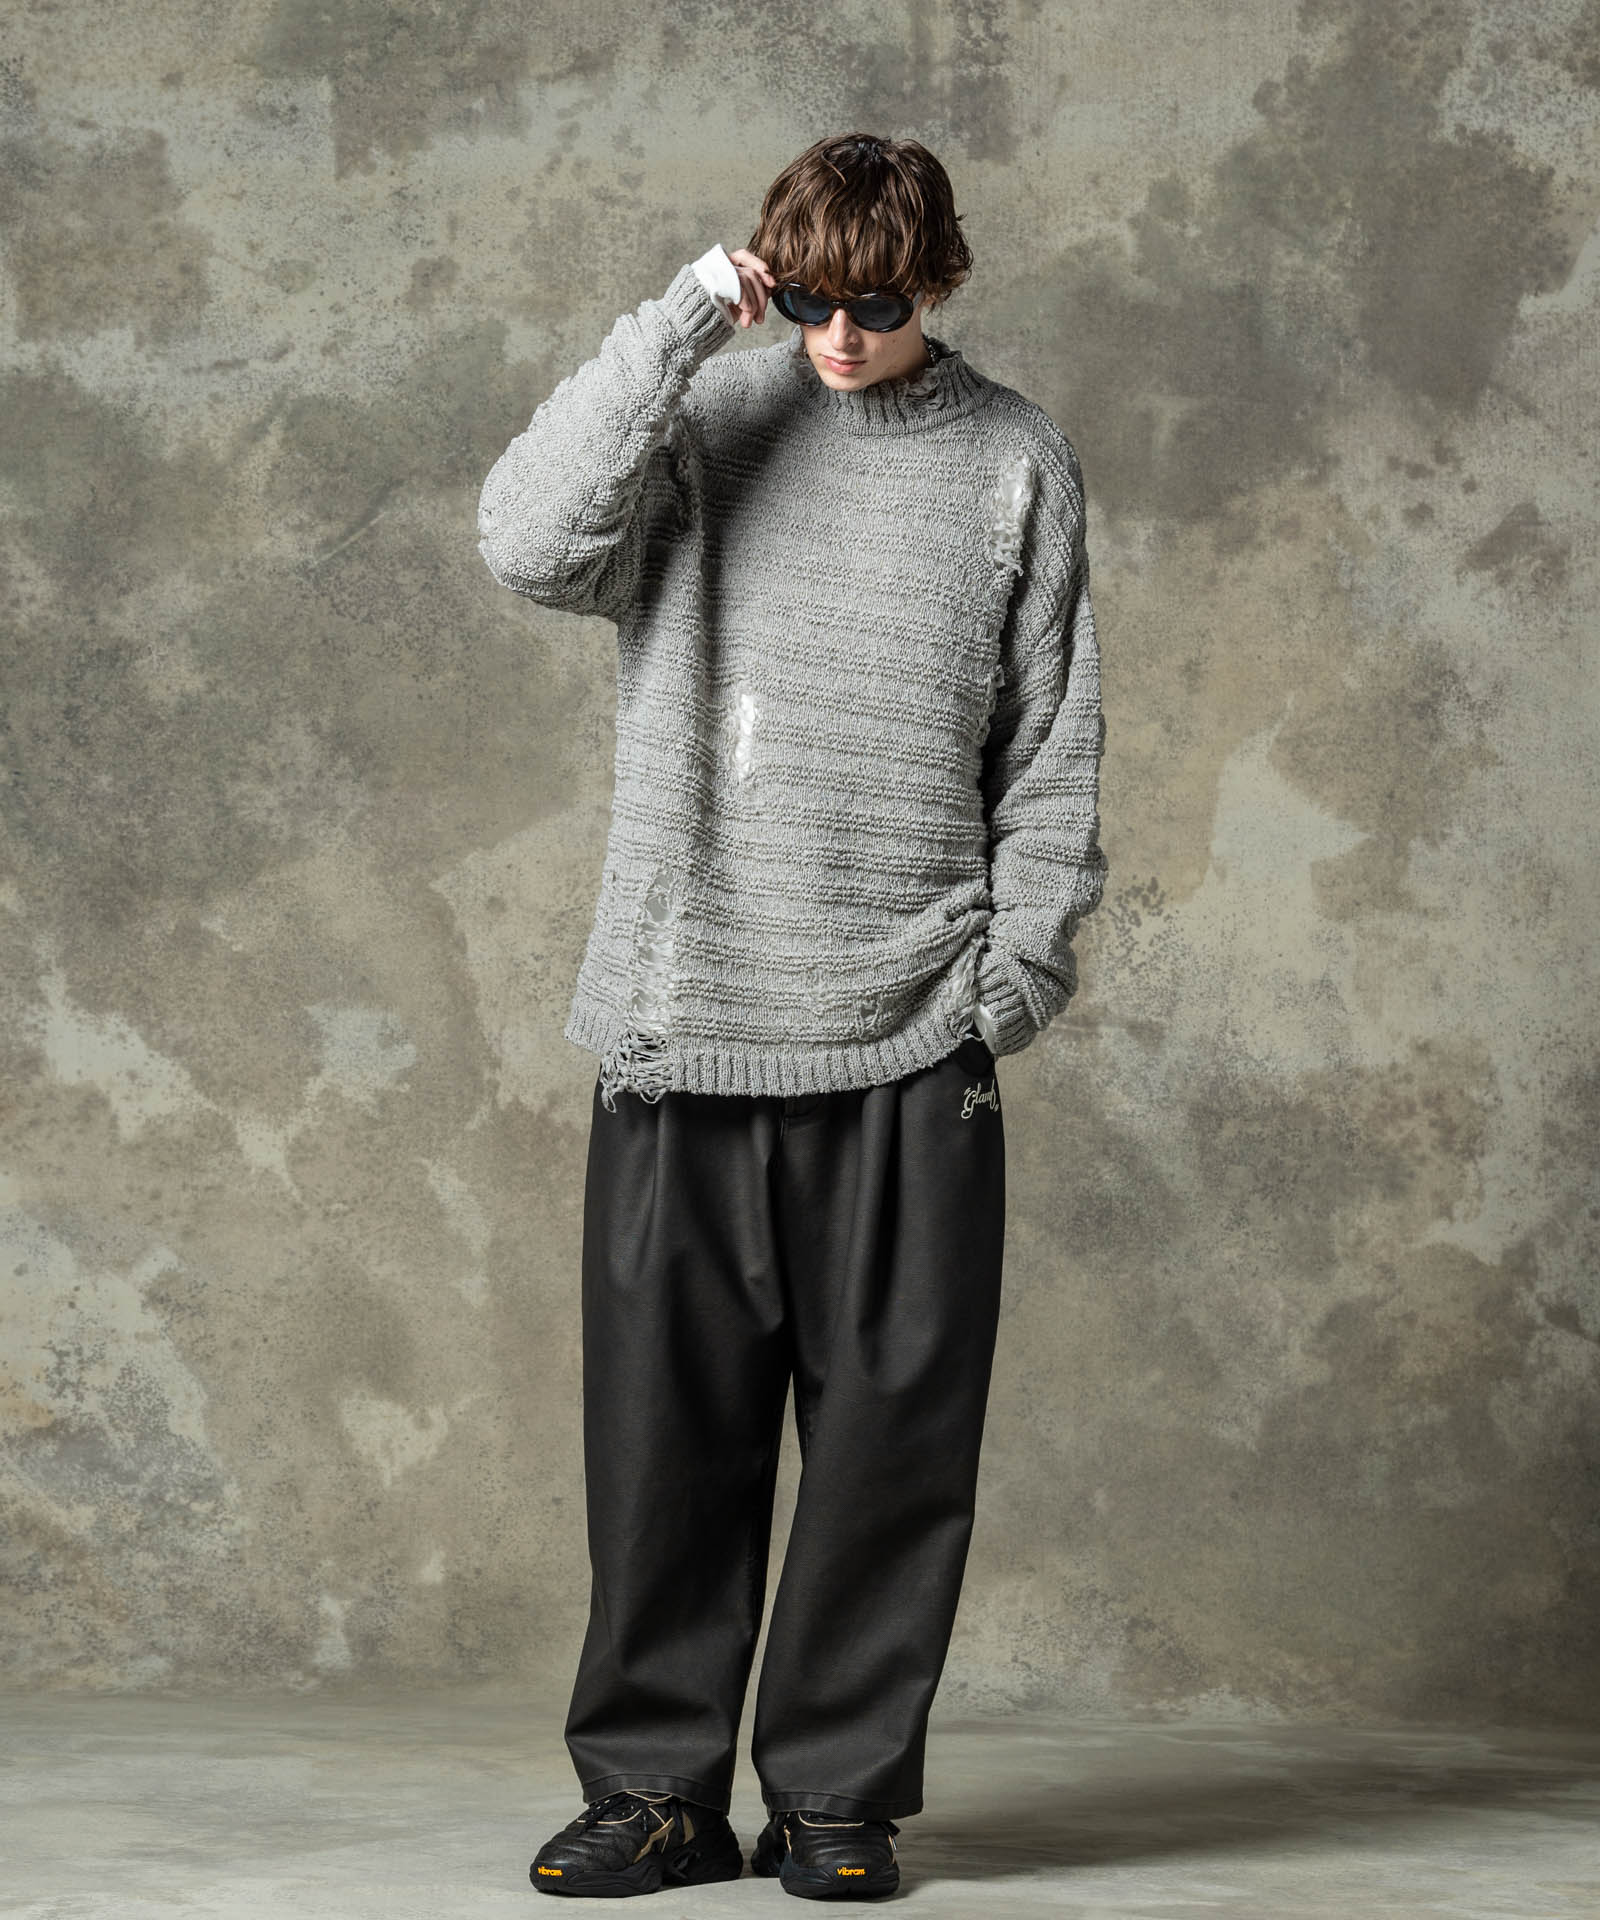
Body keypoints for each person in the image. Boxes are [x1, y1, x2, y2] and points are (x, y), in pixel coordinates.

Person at [477, 130, 1108, 1901]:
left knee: (894, 1446)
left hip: (911, 1029)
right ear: (776, 278)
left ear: (942, 281)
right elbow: (526, 542)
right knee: (663, 1444)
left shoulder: (1015, 461)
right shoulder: (705, 422)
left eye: (879, 304)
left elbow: (1053, 744)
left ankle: (836, 1798)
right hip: (684, 1017)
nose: (841, 334)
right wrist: (687, 316)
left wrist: (1008, 979)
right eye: (813, 298)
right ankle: (656, 1796)